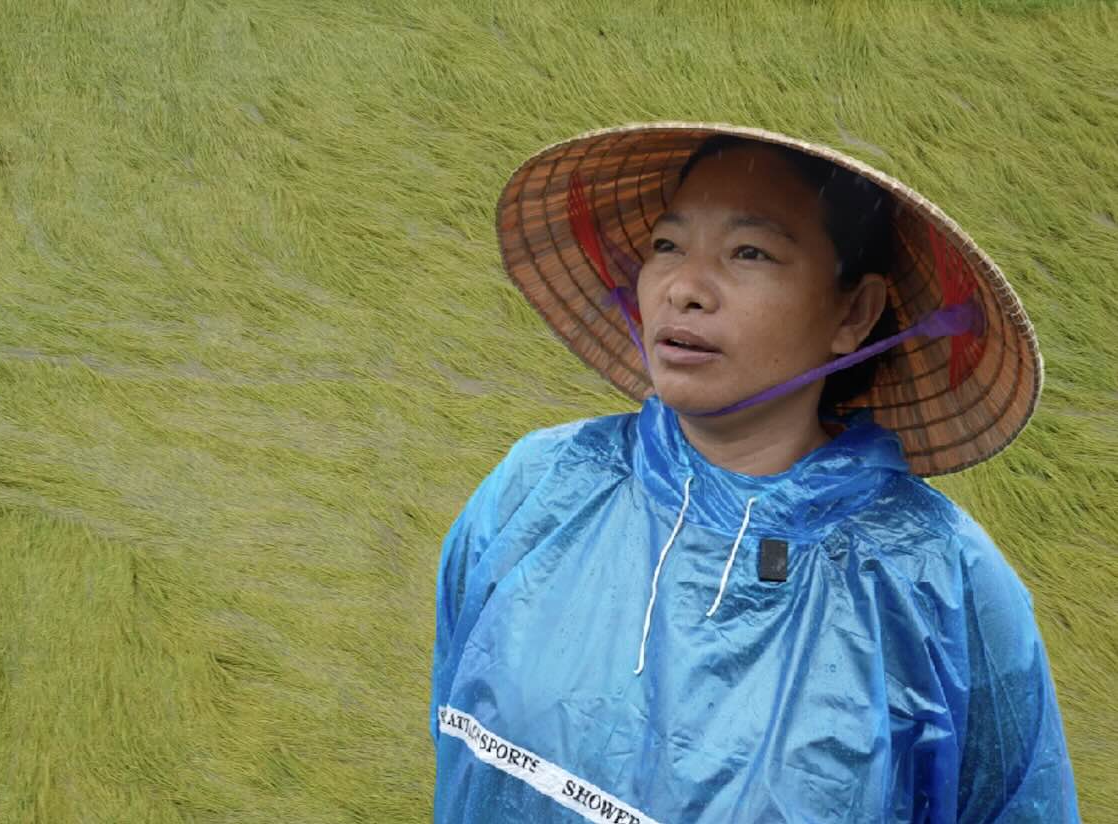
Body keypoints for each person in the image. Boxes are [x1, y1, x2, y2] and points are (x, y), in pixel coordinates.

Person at [429, 123, 1080, 823]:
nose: (684, 289)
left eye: (749, 252)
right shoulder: (541, 487)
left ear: (854, 313)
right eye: (667, 246)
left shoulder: (938, 581)